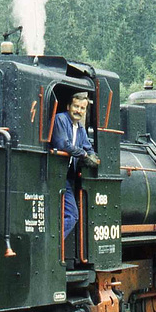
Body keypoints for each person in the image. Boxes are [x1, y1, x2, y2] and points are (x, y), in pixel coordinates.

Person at [50, 92, 99, 238]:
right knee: (71, 215)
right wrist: (83, 154)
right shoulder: (61, 119)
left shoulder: (80, 129)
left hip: (67, 176)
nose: (79, 111)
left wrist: (93, 157)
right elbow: (62, 144)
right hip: (54, 173)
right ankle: (56, 246)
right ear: (68, 106)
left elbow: (88, 148)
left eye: (82, 108)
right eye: (76, 106)